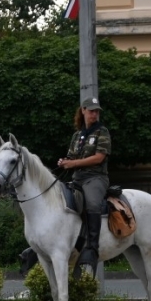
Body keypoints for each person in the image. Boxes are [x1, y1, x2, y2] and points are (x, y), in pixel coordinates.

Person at [58, 97, 111, 270]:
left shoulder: (102, 132)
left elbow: (99, 158)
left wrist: (73, 163)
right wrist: (64, 162)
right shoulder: (77, 135)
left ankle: (93, 247)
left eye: (96, 111)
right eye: (91, 111)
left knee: (93, 203)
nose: (94, 114)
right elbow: (71, 156)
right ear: (83, 111)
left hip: (96, 178)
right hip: (78, 178)